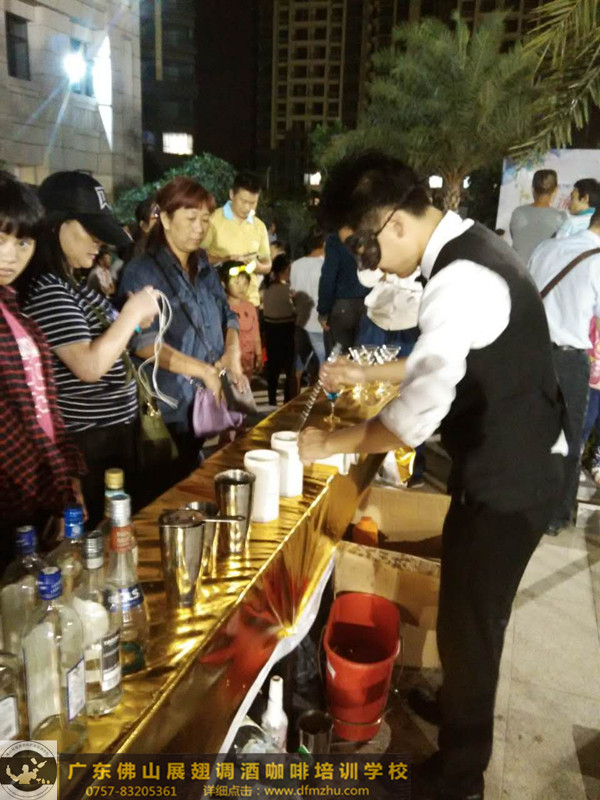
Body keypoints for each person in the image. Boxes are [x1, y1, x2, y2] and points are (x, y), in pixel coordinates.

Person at [298, 151, 565, 800]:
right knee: (466, 614)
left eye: (364, 250)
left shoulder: (460, 278)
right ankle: (458, 711)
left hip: (509, 483)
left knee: (470, 627)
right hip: (514, 465)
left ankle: (458, 776)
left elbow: (413, 419)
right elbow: (452, 355)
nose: (371, 270)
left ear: (392, 223)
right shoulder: (473, 253)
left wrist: (328, 442)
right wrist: (367, 373)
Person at [22, 171, 159, 527]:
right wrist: (130, 315)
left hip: (111, 437)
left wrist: (128, 319)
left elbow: (103, 344)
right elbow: (88, 365)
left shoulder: (69, 282)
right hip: (90, 443)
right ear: (56, 225)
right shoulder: (48, 289)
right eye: (90, 230)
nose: (99, 242)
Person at [119, 177, 245, 482]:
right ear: (165, 218)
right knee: (164, 485)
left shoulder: (204, 266)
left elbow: (227, 314)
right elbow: (142, 343)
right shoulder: (141, 271)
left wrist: (232, 353)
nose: (200, 228)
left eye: (205, 219)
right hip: (168, 407)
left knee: (192, 474)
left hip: (204, 401)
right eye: (190, 218)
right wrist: (203, 370)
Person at [0, 173, 86, 570]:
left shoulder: (17, 313)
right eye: (1, 238)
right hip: (14, 495)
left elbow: (45, 409)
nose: (11, 256)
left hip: (40, 488)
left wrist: (67, 479)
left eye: (23, 242)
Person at [527, 209, 600, 533]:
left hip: (530, 352)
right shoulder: (598, 261)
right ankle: (554, 515)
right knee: (567, 439)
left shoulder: (546, 247)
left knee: (527, 432)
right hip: (568, 361)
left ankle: (521, 502)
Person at [202, 172, 271, 307]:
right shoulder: (213, 219)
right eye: (243, 201)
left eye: (253, 203)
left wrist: (258, 266)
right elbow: (197, 256)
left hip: (251, 302)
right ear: (232, 194)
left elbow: (267, 264)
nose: (247, 208)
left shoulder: (259, 226)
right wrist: (224, 259)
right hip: (219, 300)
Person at [317, 231, 369, 353]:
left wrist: (323, 311)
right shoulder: (369, 234)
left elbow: (328, 276)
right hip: (368, 304)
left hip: (343, 305)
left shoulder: (335, 240)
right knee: (363, 355)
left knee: (338, 356)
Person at [290, 228, 326, 388]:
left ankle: (292, 398)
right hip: (320, 323)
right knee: (323, 367)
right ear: (323, 245)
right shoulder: (325, 265)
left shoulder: (296, 265)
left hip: (301, 321)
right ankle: (320, 399)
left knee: (298, 368)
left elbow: (293, 293)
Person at [509, 169, 566, 262]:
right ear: (556, 190)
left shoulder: (518, 213)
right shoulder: (561, 218)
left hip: (516, 268)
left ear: (532, 189)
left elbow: (515, 237)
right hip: (544, 269)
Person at [263, 254, 296, 407]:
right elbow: (292, 310)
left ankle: (272, 398)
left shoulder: (268, 289)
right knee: (289, 367)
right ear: (285, 270)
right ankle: (288, 399)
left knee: (273, 367)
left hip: (271, 329)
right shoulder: (287, 290)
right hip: (286, 329)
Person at [222, 262, 262, 381]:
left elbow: (255, 332)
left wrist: (259, 353)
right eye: (236, 282)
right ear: (223, 283)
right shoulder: (222, 307)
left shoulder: (250, 307)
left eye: (245, 283)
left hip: (248, 358)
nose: (241, 287)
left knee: (245, 385)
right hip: (230, 358)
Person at [582, 317, 600, 484]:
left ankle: (597, 462)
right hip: (592, 384)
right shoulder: (593, 320)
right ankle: (575, 460)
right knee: (586, 422)